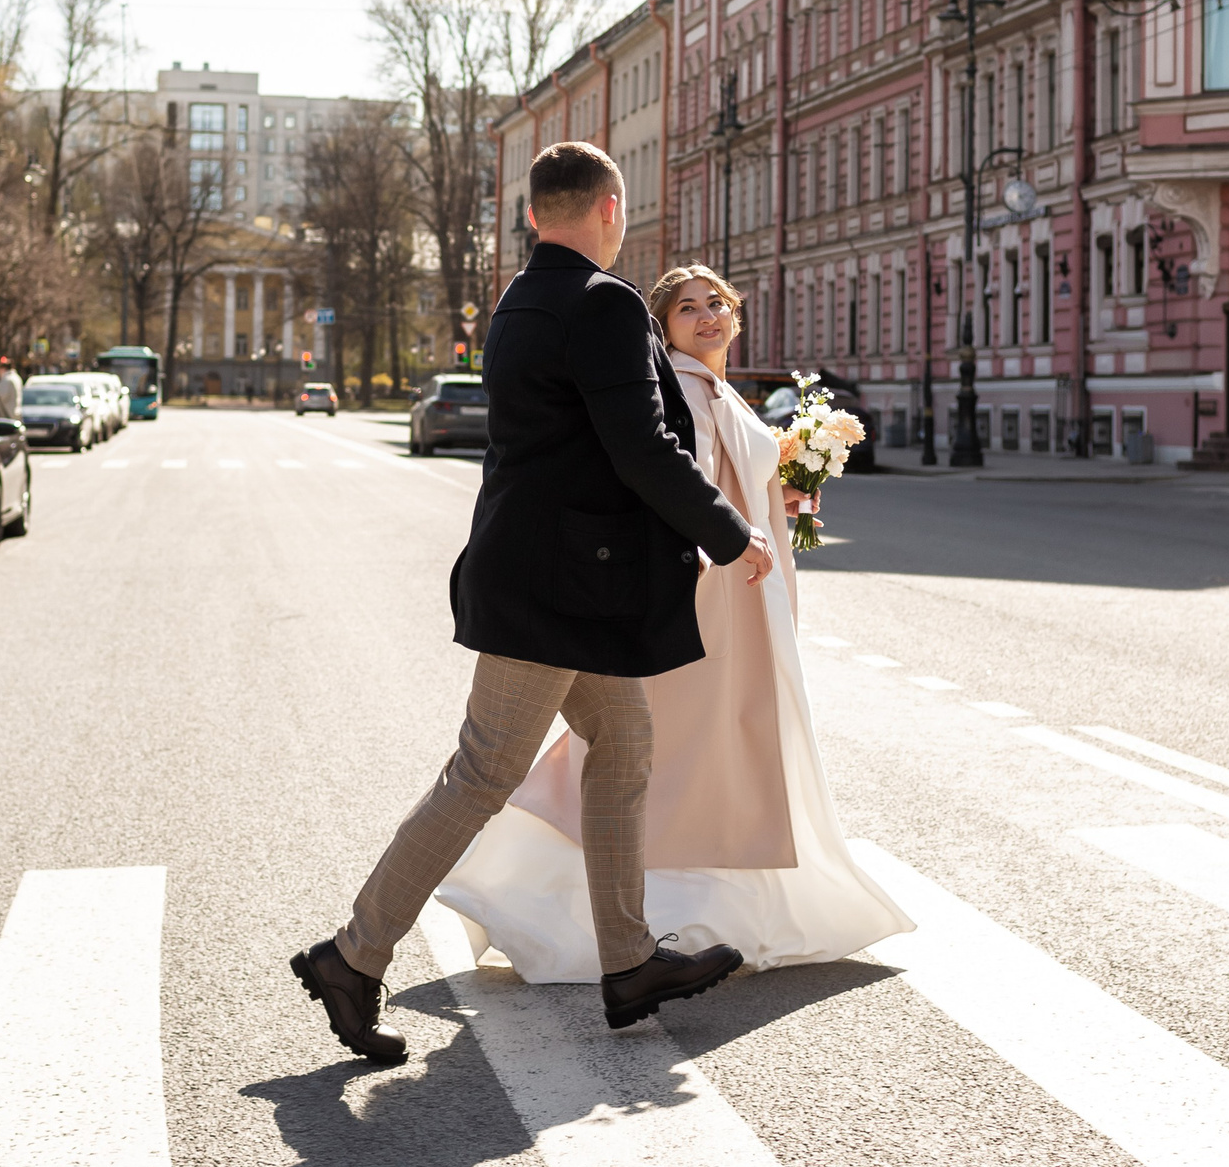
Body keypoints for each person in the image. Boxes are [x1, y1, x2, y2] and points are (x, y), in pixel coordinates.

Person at [290, 142, 777, 1066]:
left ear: (532, 215)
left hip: (551, 577)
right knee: (482, 773)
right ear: (610, 206)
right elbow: (639, 443)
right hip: (555, 587)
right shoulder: (601, 302)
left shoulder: (520, 299)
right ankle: (351, 956)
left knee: (624, 743)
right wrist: (727, 530)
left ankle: (629, 960)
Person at [438, 266, 912, 983]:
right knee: (675, 751)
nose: (708, 316)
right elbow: (672, 480)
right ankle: (591, 908)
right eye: (688, 308)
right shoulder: (680, 390)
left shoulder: (724, 394)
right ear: (664, 326)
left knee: (711, 747)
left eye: (717, 304)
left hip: (745, 594)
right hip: (704, 597)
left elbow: (731, 482)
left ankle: (687, 913)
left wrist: (787, 486)